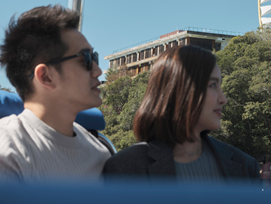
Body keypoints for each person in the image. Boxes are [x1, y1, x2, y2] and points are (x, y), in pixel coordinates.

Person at [0, 5, 111, 184]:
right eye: (86, 59)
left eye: (94, 57)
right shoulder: (1, 152)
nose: (98, 71)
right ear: (46, 77)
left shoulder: (99, 153)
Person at [103, 45, 259, 184]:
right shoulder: (126, 168)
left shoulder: (245, 166)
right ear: (180, 91)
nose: (223, 99)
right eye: (213, 85)